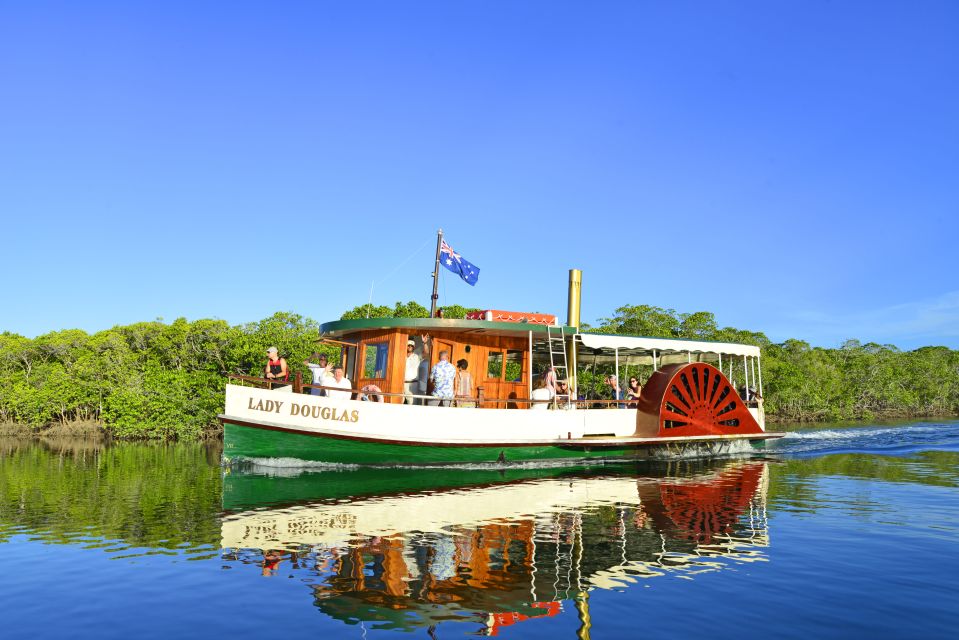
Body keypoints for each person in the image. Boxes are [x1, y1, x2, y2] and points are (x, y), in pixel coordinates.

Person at [403, 339, 421, 404]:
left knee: (412, 403)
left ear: (414, 347)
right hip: (401, 383)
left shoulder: (417, 357)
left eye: (411, 346)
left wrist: (424, 343)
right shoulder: (401, 356)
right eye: (408, 345)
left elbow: (426, 353)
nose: (410, 347)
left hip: (412, 384)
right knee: (398, 402)